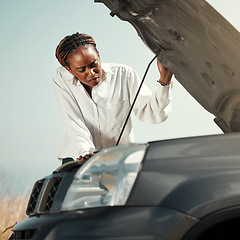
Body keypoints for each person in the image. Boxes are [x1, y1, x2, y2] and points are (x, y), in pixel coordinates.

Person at [53, 33, 173, 164]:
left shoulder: (124, 75)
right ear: (69, 69)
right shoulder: (62, 79)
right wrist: (86, 153)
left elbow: (152, 114)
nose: (91, 73)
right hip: (77, 158)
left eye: (94, 64)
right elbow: (73, 120)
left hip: (117, 160)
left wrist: (164, 81)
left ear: (98, 55)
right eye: (82, 70)